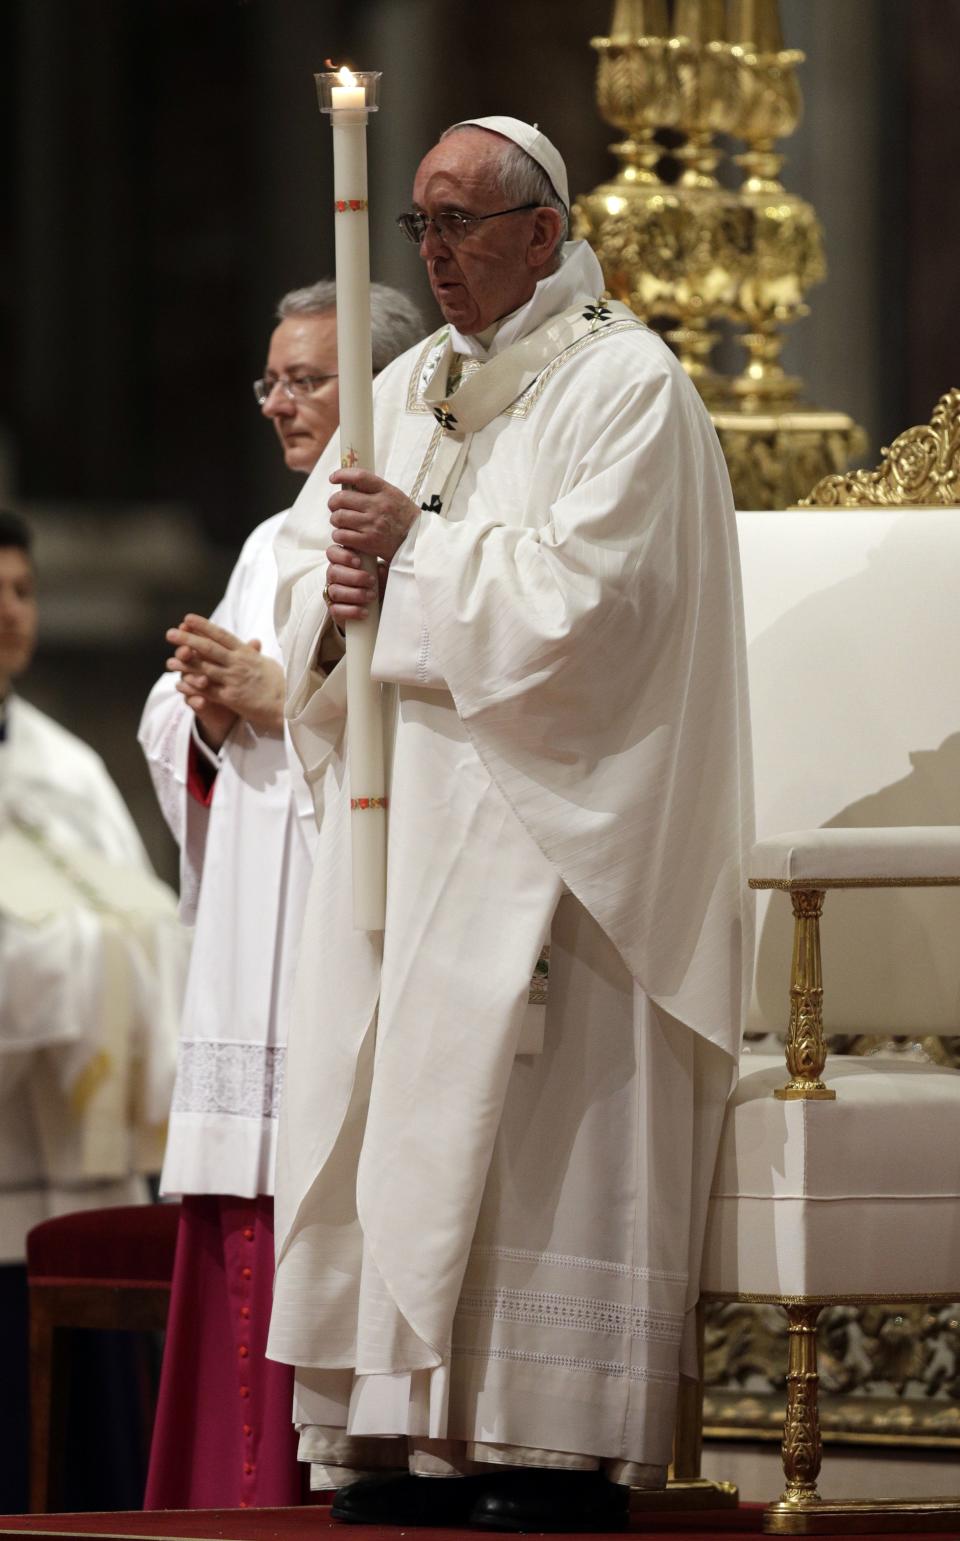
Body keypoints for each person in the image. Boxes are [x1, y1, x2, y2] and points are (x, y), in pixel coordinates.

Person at [268, 118, 754, 1532]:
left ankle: (540, 1442)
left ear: (545, 230)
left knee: (537, 1140)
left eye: (462, 224)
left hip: (554, 849)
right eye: (419, 226)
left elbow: (594, 617)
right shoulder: (411, 380)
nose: (435, 254)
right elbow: (313, 571)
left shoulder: (628, 388)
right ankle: (395, 1431)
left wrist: (412, 558)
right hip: (408, 828)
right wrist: (340, 592)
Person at [138, 280, 423, 1510]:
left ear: (381, 391)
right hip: (249, 939)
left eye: (306, 379)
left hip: (343, 941)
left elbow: (428, 732)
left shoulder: (407, 542)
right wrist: (204, 711)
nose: (278, 404)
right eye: (272, 380)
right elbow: (184, 733)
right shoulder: (269, 544)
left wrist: (284, 697)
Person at [0, 508, 183, 1511]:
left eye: (22, 591)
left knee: (89, 1474)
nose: (9, 613)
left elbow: (148, 918)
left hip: (79, 1160)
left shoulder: (66, 768)